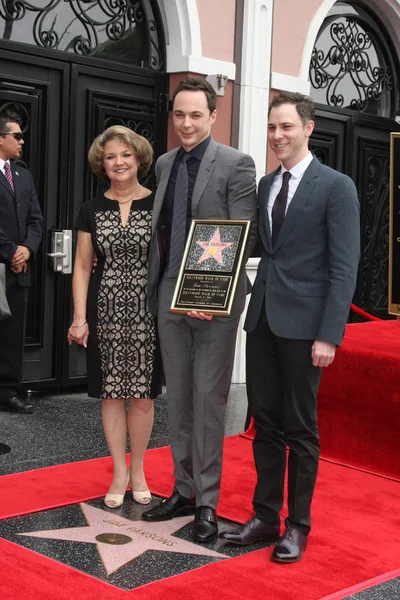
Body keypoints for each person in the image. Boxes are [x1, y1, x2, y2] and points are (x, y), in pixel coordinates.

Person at [220, 92, 360, 562]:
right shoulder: (264, 185)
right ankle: (264, 516)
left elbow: (344, 267)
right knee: (265, 425)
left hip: (305, 329)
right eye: (272, 128)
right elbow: (257, 247)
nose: (278, 136)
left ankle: (297, 525)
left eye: (286, 127)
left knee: (301, 429)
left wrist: (329, 334)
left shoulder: (336, 186)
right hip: (261, 322)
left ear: (308, 128)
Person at [142, 77, 257, 542]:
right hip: (169, 292)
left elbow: (240, 230)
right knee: (181, 397)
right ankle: (183, 489)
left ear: (212, 116)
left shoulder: (236, 163)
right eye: (179, 115)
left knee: (209, 400)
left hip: (215, 299)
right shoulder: (166, 163)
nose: (186, 123)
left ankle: (207, 502)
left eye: (195, 114)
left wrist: (209, 294)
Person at [67, 125, 162, 508]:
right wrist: (78, 318)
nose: (118, 162)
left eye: (125, 154)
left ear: (138, 158)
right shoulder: (91, 209)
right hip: (103, 310)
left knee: (142, 396)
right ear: (101, 165)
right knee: (110, 395)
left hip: (147, 312)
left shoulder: (159, 204)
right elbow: (82, 267)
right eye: (110, 157)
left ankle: (138, 469)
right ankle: (118, 472)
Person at [0, 112, 43, 414]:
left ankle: (7, 393)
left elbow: (36, 219)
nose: (22, 141)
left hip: (19, 270)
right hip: (3, 263)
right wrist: (10, 251)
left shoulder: (23, 175)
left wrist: (27, 249)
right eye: (16, 135)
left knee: (13, 335)